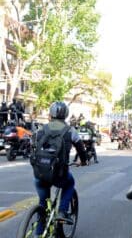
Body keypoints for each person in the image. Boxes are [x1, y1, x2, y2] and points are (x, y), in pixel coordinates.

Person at [33, 101, 88, 237]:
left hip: (40, 173)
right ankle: (62, 211)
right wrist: (84, 161)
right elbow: (81, 148)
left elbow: (33, 147)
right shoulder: (70, 131)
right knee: (70, 184)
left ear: (50, 114)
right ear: (66, 115)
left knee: (42, 204)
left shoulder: (41, 129)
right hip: (59, 174)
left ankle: (38, 233)